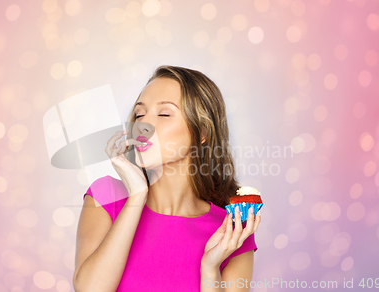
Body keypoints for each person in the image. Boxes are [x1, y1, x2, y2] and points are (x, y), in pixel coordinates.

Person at [73, 65, 262, 292]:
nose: (144, 125)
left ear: (202, 132)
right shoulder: (105, 197)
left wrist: (210, 268)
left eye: (164, 114)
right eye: (140, 114)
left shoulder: (231, 230)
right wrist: (137, 196)